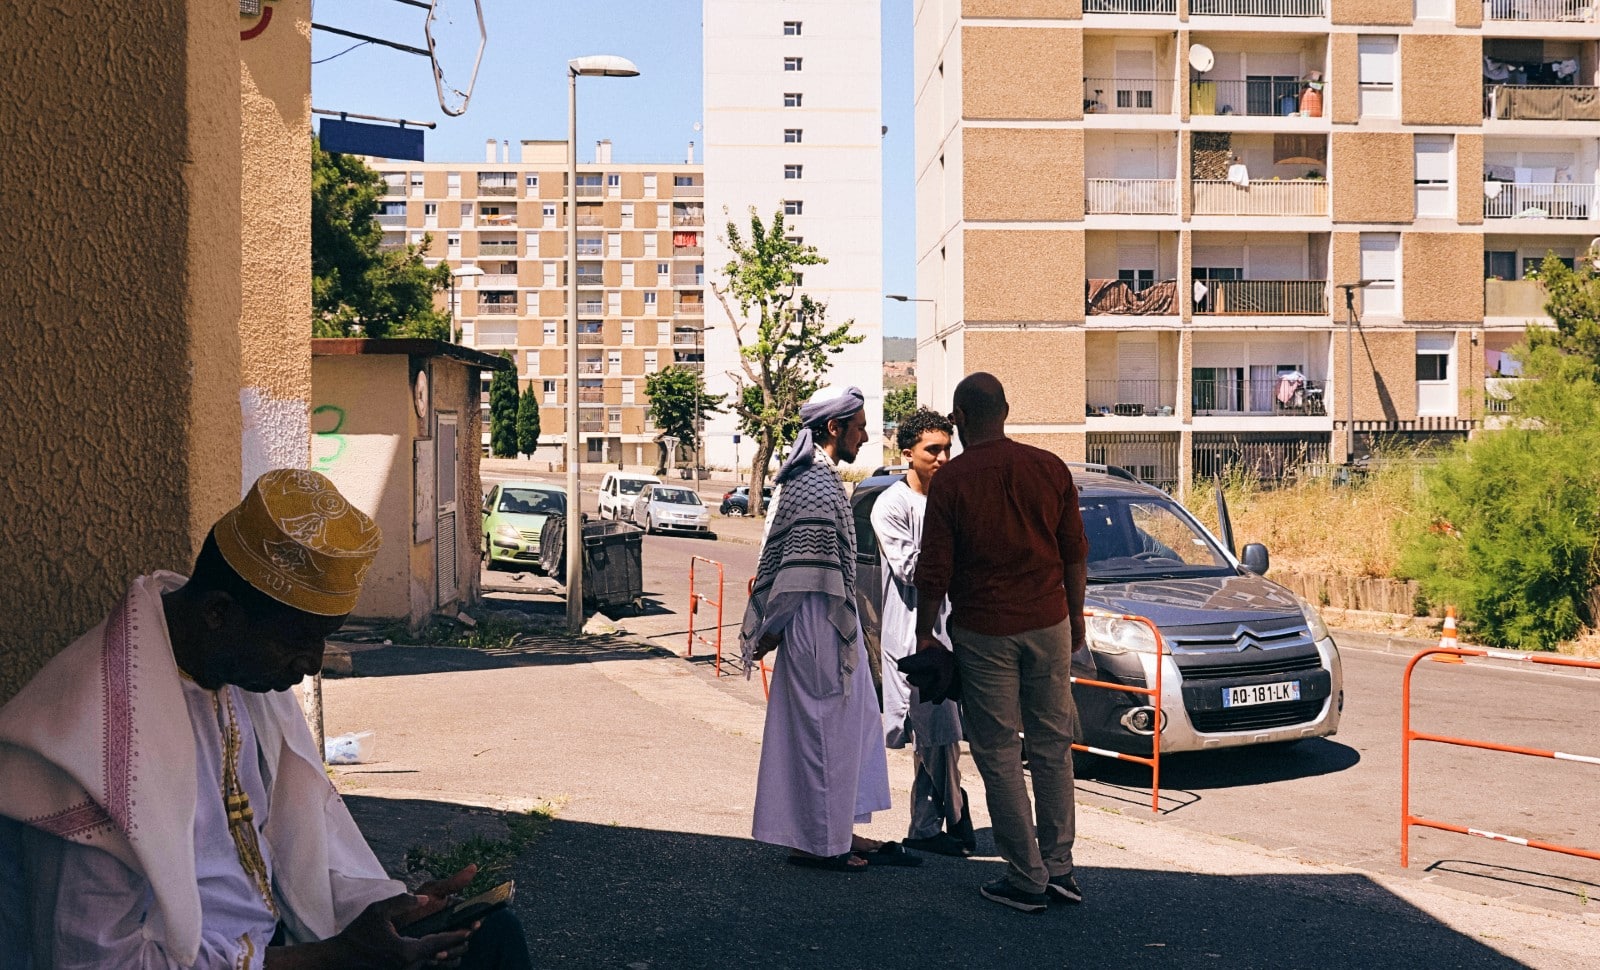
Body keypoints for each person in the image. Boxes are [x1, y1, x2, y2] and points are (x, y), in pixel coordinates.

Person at [0, 469, 532, 968]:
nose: (313, 664)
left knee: (491, 936)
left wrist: (390, 910)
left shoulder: (234, 671)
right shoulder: (88, 737)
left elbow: (298, 844)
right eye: (299, 639)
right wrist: (333, 959)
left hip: (282, 946)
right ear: (218, 613)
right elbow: (95, 961)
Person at [914, 373, 1090, 913]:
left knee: (998, 753)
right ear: (1006, 411)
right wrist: (1075, 618)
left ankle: (1026, 877)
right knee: (1052, 746)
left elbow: (934, 568)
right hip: (1049, 622)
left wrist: (925, 632)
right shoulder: (1050, 467)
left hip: (985, 631)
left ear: (960, 418)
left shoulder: (952, 481)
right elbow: (1075, 552)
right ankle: (1060, 868)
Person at [740, 386, 914, 872]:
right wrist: (771, 628)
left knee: (852, 728)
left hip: (828, 621)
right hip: (815, 623)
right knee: (824, 734)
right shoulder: (815, 481)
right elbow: (801, 574)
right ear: (834, 428)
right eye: (859, 428)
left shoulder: (817, 475)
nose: (864, 437)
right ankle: (820, 843)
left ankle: (840, 831)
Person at [869, 408, 974, 858]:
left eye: (948, 449)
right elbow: (912, 569)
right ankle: (956, 814)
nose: (943, 458)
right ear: (907, 453)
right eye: (933, 450)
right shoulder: (891, 505)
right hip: (912, 634)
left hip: (955, 630)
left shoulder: (954, 499)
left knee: (936, 735)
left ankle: (926, 827)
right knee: (935, 731)